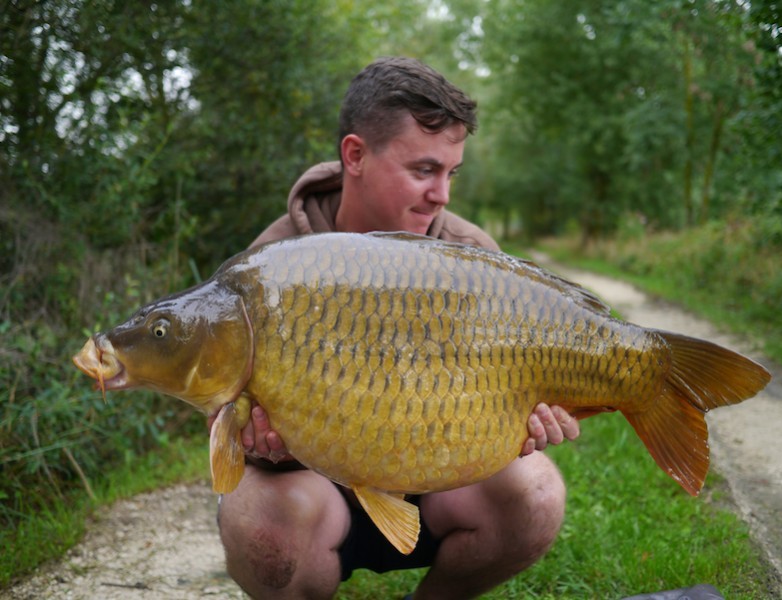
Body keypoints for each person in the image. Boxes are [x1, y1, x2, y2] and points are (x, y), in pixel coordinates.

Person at [213, 56, 580, 600]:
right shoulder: (272, 267)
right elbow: (223, 417)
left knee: (539, 492)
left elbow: (519, 394)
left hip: (437, 487)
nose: (443, 195)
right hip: (315, 499)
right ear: (356, 155)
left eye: (451, 173)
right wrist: (261, 444)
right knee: (259, 528)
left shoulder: (472, 256)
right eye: (424, 170)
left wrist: (528, 421)